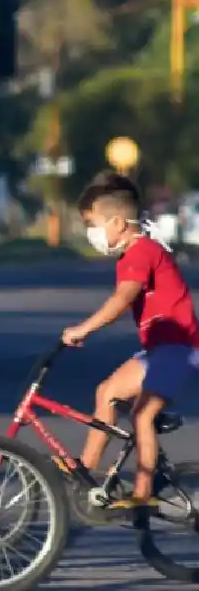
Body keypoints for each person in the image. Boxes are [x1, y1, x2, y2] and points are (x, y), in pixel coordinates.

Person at [63, 172, 199, 508]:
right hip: (159, 350)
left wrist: (83, 329)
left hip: (180, 349)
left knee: (142, 416)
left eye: (93, 225)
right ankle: (85, 470)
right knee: (106, 393)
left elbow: (122, 299)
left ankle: (142, 495)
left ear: (119, 222)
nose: (91, 234)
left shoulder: (142, 252)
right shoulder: (134, 254)